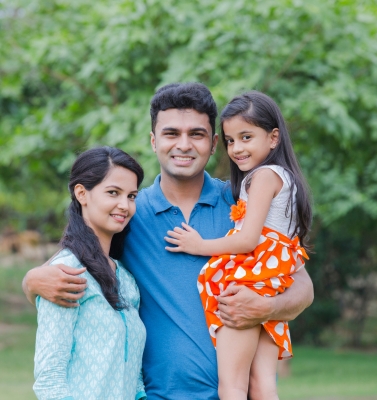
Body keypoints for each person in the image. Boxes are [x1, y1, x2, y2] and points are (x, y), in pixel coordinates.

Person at [23, 83, 314, 400]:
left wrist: (266, 307)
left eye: (197, 134)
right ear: (153, 140)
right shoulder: (130, 213)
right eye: (172, 133)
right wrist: (31, 280)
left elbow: (302, 286)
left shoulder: (242, 205)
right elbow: (75, 260)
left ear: (215, 143)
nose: (184, 145)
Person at [165, 91, 312, 399]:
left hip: (249, 277)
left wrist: (197, 244)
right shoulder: (282, 178)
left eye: (246, 137)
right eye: (231, 140)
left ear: (273, 138)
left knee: (232, 386)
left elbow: (247, 240)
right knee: (262, 385)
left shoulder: (263, 177)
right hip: (271, 280)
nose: (237, 148)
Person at [32, 147, 146, 400]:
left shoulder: (125, 278)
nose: (124, 205)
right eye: (113, 193)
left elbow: (132, 374)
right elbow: (49, 379)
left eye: (131, 196)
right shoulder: (65, 273)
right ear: (82, 193)